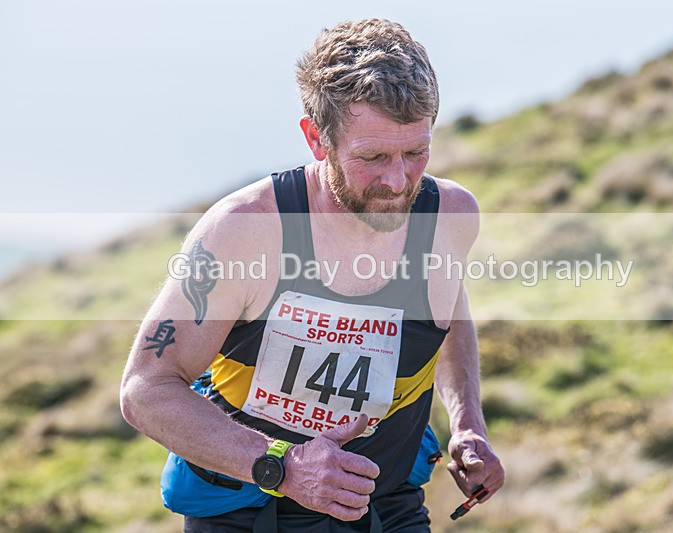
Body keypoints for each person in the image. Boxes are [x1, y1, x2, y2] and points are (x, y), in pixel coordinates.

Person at [120, 18, 504, 532]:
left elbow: (446, 315)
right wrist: (285, 466)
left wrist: (467, 425)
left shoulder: (450, 217)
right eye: (372, 157)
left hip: (389, 511)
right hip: (249, 515)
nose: (397, 181)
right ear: (316, 137)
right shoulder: (246, 231)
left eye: (416, 153)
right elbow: (146, 389)